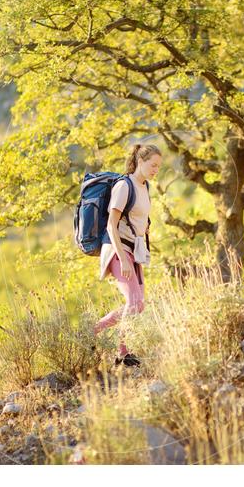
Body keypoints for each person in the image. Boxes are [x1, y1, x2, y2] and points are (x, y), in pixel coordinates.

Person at [93, 143, 162, 367]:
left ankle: (93, 330)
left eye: (159, 167)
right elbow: (112, 225)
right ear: (140, 162)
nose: (155, 170)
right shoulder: (124, 186)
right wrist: (122, 258)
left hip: (135, 250)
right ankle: (123, 354)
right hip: (118, 250)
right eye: (152, 165)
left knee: (138, 304)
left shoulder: (145, 187)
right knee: (133, 301)